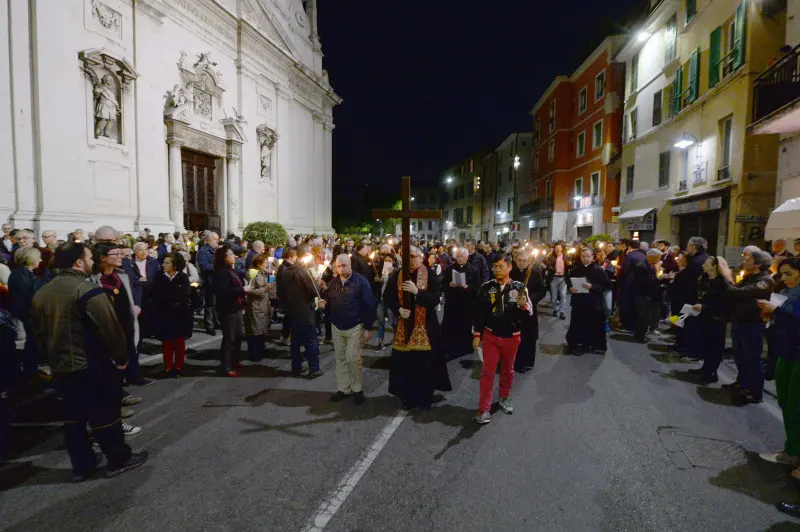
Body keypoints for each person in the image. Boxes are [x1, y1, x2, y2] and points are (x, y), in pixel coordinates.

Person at [29, 242, 148, 480]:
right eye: (89, 258)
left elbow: (37, 335)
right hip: (91, 364)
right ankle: (118, 459)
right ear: (79, 262)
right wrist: (121, 358)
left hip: (61, 366)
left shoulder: (42, 293)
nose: (92, 261)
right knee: (105, 414)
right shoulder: (87, 291)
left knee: (73, 418)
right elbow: (110, 329)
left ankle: (82, 465)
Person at [385, 245, 452, 410]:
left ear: (421, 258)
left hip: (426, 326)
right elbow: (388, 296)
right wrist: (398, 310)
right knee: (407, 364)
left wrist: (417, 292)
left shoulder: (428, 274)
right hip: (405, 325)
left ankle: (424, 397)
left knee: (425, 364)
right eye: (408, 257)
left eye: (414, 256)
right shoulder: (398, 274)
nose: (411, 260)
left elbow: (436, 299)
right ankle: (408, 396)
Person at [472, 254, 533, 424]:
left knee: (508, 370)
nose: (497, 270)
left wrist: (523, 305)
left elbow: (530, 312)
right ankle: (484, 409)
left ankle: (504, 397)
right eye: (494, 267)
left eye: (500, 266)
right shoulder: (486, 287)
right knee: (487, 372)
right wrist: (477, 334)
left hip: (512, 337)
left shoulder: (520, 287)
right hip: (491, 335)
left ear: (509, 267)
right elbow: (479, 313)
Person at [757, 259, 800, 475]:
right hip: (787, 350)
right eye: (782, 274)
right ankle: (791, 450)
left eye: (789, 274)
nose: (783, 278)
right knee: (785, 401)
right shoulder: (790, 292)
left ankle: (795, 453)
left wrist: (777, 311)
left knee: (795, 404)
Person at [321, 254, 376, 404]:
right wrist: (324, 305)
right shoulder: (333, 283)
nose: (340, 269)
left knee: (353, 359)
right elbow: (329, 302)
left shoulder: (361, 282)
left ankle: (357, 389)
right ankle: (344, 388)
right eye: (338, 266)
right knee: (340, 359)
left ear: (350, 265)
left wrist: (367, 327)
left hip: (355, 326)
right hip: (337, 326)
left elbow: (369, 305)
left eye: (343, 265)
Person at [726, 249, 775, 405]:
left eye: (748, 260)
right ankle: (742, 383)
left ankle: (755, 391)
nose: (744, 262)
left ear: (758, 264)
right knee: (740, 355)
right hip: (740, 320)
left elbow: (739, 293)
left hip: (752, 323)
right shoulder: (749, 277)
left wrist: (730, 283)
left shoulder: (765, 280)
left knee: (752, 358)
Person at [687, 256, 734, 383]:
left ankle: (712, 373)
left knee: (714, 346)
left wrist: (704, 306)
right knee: (706, 344)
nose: (703, 264)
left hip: (716, 319)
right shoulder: (704, 279)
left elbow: (724, 304)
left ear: (715, 266)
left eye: (707, 262)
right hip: (704, 317)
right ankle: (705, 368)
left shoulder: (723, 283)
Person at [152, 252, 193, 378]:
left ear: (175, 265)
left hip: (180, 314)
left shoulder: (183, 277)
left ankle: (179, 366)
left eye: (167, 263)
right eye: (164, 262)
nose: (163, 265)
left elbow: (185, 294)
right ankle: (168, 367)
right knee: (167, 342)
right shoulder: (159, 277)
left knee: (179, 342)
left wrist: (171, 298)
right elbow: (156, 295)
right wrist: (173, 298)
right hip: (164, 314)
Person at [213, 245, 252, 377]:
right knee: (229, 337)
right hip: (227, 309)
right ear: (223, 258)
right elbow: (223, 292)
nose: (233, 256)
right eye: (230, 254)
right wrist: (243, 290)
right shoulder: (221, 273)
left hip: (236, 307)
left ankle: (234, 360)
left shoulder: (231, 270)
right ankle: (226, 365)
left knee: (238, 335)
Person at [566, 247, 610, 354]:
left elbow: (605, 286)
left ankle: (593, 345)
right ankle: (578, 345)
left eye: (588, 256)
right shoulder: (576, 270)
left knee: (593, 325)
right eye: (583, 256)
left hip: (593, 303)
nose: (585, 258)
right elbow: (569, 283)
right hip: (579, 302)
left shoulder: (599, 270)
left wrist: (592, 286)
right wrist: (571, 289)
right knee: (578, 325)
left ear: (592, 257)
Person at [440, 248, 481, 359]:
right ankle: (448, 348)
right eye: (458, 256)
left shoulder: (474, 270)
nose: (460, 259)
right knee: (450, 325)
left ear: (467, 257)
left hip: (466, 303)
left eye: (462, 256)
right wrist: (449, 284)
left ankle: (465, 347)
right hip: (452, 302)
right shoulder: (450, 269)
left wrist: (469, 287)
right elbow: (442, 283)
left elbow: (477, 286)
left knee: (465, 325)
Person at [511, 251, 547, 372]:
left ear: (529, 261)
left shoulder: (535, 273)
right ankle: (512, 361)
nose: (521, 263)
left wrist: (528, 299)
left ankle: (525, 363)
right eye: (519, 260)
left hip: (528, 311)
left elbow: (542, 290)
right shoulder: (511, 271)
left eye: (524, 261)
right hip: (513, 310)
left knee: (527, 337)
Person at [244, 253, 276, 362]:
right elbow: (249, 290)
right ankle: (254, 353)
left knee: (262, 329)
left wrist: (269, 287)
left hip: (263, 305)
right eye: (265, 262)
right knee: (255, 330)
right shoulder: (251, 274)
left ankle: (260, 350)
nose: (267, 264)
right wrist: (265, 289)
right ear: (258, 263)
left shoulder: (261, 272)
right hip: (255, 306)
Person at [632, 249, 662, 343]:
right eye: (658, 258)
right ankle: (639, 336)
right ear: (651, 257)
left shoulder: (651, 266)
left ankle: (641, 334)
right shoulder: (641, 266)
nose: (659, 260)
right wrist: (658, 279)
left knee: (646, 316)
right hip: (641, 294)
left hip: (648, 294)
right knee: (642, 316)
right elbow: (643, 282)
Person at [544, 243, 570, 320]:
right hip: (554, 279)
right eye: (557, 248)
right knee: (554, 297)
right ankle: (555, 310)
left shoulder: (566, 257)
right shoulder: (551, 257)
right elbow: (548, 265)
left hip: (563, 279)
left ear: (562, 249)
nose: (558, 249)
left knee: (563, 296)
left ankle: (562, 312)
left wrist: (570, 265)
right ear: (554, 249)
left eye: (560, 248)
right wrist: (554, 270)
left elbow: (569, 266)